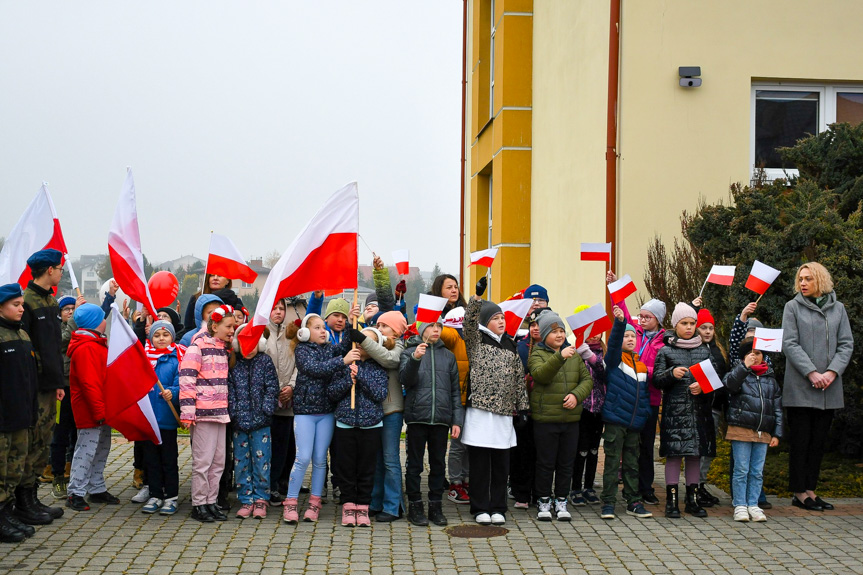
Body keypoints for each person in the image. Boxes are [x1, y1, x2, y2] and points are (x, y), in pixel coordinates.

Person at [782, 262, 853, 511]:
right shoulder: (792, 307)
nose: (802, 283)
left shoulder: (839, 309)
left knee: (818, 443)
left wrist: (832, 372)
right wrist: (812, 373)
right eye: (800, 278)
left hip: (828, 389)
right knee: (801, 442)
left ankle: (811, 490)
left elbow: (846, 344)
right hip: (801, 387)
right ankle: (799, 492)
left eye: (808, 279)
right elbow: (789, 344)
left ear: (820, 280)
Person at [461, 278, 529, 526]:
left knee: (501, 464)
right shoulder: (476, 341)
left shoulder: (511, 344)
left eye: (503, 318)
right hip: (480, 412)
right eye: (496, 318)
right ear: (485, 322)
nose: (502, 321)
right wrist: (477, 298)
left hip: (503, 413)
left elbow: (519, 379)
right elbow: (468, 323)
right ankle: (479, 507)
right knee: (480, 464)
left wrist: (522, 407)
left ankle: (498, 506)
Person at [283, 313, 359, 524]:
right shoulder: (302, 351)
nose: (323, 330)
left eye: (324, 327)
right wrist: (342, 361)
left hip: (326, 412)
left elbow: (344, 346)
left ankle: (314, 504)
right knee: (303, 457)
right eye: (317, 327)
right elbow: (315, 369)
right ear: (305, 333)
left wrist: (352, 322)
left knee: (319, 460)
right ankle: (290, 502)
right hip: (306, 413)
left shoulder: (330, 349)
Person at [527, 311, 595, 522]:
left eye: (561, 331)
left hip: (571, 419)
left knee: (566, 463)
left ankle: (562, 500)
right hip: (546, 419)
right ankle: (544, 500)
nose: (559, 334)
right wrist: (559, 356)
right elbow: (541, 375)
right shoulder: (537, 354)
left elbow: (587, 381)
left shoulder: (573, 355)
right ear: (545, 333)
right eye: (554, 331)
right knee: (546, 463)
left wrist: (576, 396)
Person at [607, 271, 666, 505]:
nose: (641, 320)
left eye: (647, 317)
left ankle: (645, 487)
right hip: (628, 399)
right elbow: (621, 310)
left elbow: (660, 370)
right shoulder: (634, 332)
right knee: (628, 446)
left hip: (649, 400)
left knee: (646, 446)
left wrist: (643, 370)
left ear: (658, 320)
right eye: (640, 316)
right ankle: (626, 485)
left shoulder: (664, 342)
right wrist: (613, 287)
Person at [653, 302, 716, 518]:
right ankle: (671, 501)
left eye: (692, 323)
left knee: (694, 455)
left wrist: (703, 386)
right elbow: (657, 379)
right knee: (674, 455)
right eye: (684, 323)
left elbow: (714, 382)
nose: (689, 327)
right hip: (675, 413)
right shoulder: (666, 350)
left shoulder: (704, 351)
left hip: (698, 413)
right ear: (675, 325)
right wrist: (671, 374)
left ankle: (693, 499)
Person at [400, 319, 463, 527]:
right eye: (431, 326)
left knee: (438, 464)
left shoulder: (448, 356)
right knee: (414, 464)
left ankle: (436, 506)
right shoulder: (410, 351)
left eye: (439, 327)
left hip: (441, 419)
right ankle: (415, 505)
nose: (436, 330)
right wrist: (416, 358)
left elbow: (455, 391)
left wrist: (456, 420)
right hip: (418, 415)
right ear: (421, 330)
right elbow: (405, 379)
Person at [19, 249, 67, 522]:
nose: (60, 271)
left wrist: (58, 381)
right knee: (32, 441)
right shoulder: (27, 302)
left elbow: (53, 347)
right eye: (58, 267)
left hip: (50, 383)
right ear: (49, 270)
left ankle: (32, 497)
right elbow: (29, 348)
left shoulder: (49, 300)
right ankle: (22, 502)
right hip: (35, 386)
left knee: (43, 441)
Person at [179, 304, 235, 523]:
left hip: (221, 413)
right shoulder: (197, 347)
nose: (232, 330)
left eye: (233, 326)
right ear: (215, 325)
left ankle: (211, 502)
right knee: (202, 462)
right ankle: (199, 504)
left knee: (218, 462)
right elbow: (186, 379)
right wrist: (187, 411)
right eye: (228, 326)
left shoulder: (224, 348)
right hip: (202, 414)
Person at [329, 327, 389, 527]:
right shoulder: (346, 365)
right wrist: (348, 380)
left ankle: (363, 506)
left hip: (371, 424)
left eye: (368, 342)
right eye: (361, 341)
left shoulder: (378, 368)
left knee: (366, 468)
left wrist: (361, 376)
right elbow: (332, 393)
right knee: (346, 467)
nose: (362, 346)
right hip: (345, 423)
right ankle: (348, 505)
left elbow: (380, 394)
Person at [598, 306, 653, 520]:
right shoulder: (614, 361)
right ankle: (608, 502)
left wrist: (645, 412)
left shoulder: (640, 365)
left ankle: (633, 501)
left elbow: (645, 394)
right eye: (626, 336)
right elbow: (612, 345)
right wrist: (620, 323)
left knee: (632, 463)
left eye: (633, 336)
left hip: (635, 423)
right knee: (612, 463)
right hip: (615, 421)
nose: (630, 339)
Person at [65, 303, 119, 512]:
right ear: (96, 323)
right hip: (91, 410)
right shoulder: (86, 348)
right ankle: (75, 492)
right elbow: (90, 384)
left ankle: (96, 487)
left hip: (102, 408)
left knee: (101, 448)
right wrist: (98, 412)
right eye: (103, 318)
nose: (105, 321)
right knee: (86, 450)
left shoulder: (96, 344)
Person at [724, 338, 782, 522]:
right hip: (741, 429)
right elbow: (729, 386)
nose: (754, 357)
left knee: (757, 471)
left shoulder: (770, 379)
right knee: (741, 469)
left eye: (758, 353)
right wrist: (744, 367)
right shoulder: (738, 373)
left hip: (763, 431)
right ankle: (740, 505)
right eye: (750, 353)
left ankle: (753, 504)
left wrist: (777, 433)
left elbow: (777, 407)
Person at [0, 284, 40, 542]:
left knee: (14, 468)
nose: (21, 308)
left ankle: (7, 511)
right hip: (3, 417)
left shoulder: (23, 335)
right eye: (16, 305)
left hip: (22, 415)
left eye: (22, 304)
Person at [228, 324, 280, 520]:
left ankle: (260, 499)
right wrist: (234, 413)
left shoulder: (265, 361)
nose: (248, 350)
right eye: (243, 345)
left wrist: (266, 410)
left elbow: (272, 388)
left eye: (252, 345)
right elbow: (230, 391)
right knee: (241, 462)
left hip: (261, 423)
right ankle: (245, 498)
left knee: (261, 462)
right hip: (239, 423)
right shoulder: (234, 364)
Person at [364, 310, 409, 522]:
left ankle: (393, 506)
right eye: (378, 325)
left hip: (392, 410)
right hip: (374, 410)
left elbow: (389, 360)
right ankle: (376, 501)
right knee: (376, 459)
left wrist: (364, 340)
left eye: (384, 326)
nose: (379, 329)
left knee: (390, 459)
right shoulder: (375, 344)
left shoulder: (398, 346)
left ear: (397, 331)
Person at [264, 298, 304, 503]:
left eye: (282, 308)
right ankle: (271, 484)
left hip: (289, 398)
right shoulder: (263, 332)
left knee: (289, 445)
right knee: (274, 446)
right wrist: (274, 390)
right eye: (275, 308)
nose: (279, 312)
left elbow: (299, 362)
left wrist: (292, 386)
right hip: (270, 399)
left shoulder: (292, 334)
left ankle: (284, 481)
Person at [140, 321, 182, 516]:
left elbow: (181, 384)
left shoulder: (176, 360)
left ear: (172, 337)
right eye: (157, 336)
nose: (161, 339)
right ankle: (155, 494)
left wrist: (172, 392)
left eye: (165, 335)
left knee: (168, 459)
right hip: (149, 420)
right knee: (152, 460)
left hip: (166, 419)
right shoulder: (144, 360)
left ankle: (171, 496)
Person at [570, 306, 607, 507]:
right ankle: (575, 487)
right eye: (589, 331)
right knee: (580, 449)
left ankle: (589, 486)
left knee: (594, 449)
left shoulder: (605, 353)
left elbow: (605, 374)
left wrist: (592, 358)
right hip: (581, 408)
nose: (594, 335)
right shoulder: (574, 352)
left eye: (597, 331)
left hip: (599, 409)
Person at [47, 294, 83, 499]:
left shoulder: (80, 327)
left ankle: (76, 474)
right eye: (66, 309)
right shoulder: (57, 331)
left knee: (77, 435)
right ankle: (57, 476)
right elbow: (65, 340)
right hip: (62, 390)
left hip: (78, 389)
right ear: (59, 314)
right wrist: (76, 316)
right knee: (59, 435)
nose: (70, 311)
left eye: (73, 308)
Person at [510, 309, 544, 510]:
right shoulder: (520, 347)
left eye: (539, 324)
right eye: (532, 325)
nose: (535, 328)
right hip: (522, 408)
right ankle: (520, 492)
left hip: (544, 408)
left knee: (540, 455)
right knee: (521, 452)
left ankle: (539, 493)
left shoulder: (555, 347)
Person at [693, 306, 727, 508]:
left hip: (715, 406)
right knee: (698, 448)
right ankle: (694, 485)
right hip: (699, 407)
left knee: (708, 450)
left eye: (710, 328)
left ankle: (701, 483)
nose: (707, 331)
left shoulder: (718, 350)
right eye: (703, 327)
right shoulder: (694, 349)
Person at [439, 306, 471, 506]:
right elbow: (445, 333)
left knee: (469, 443)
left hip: (470, 399)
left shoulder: (472, 339)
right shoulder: (452, 337)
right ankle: (456, 483)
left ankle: (467, 480)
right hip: (455, 400)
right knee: (458, 445)